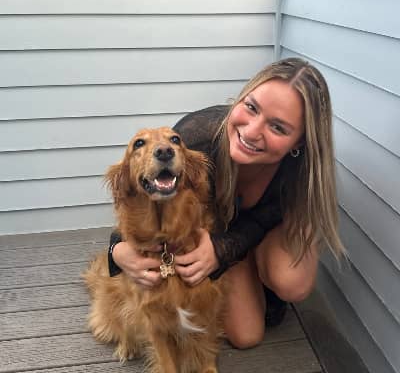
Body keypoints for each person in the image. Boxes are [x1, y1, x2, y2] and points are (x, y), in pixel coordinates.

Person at [108, 57, 346, 349]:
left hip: (262, 230)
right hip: (222, 230)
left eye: (278, 127)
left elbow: (264, 219)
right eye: (252, 107)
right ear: (241, 97)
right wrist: (117, 250)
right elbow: (140, 200)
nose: (252, 131)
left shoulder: (300, 170)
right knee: (247, 336)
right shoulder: (196, 138)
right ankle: (248, 272)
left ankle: (264, 272)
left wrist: (221, 251)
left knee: (291, 281)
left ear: (298, 143)